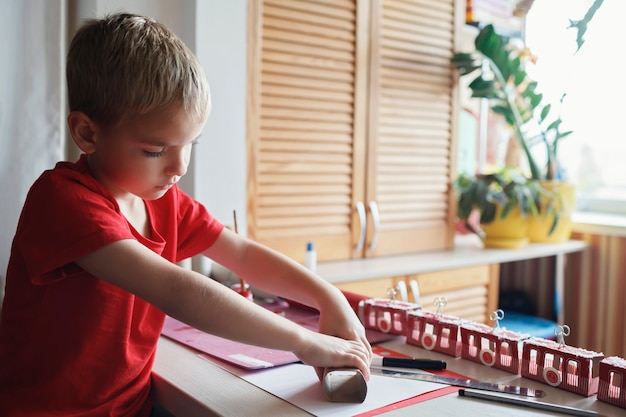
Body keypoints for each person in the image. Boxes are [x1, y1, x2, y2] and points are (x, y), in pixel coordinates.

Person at [0, 12, 372, 417]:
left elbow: (243, 256)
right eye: (155, 150)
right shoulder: (63, 201)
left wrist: (327, 297)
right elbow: (180, 291)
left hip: (132, 407)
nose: (179, 168)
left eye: (190, 142)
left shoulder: (164, 200)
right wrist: (305, 342)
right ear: (88, 133)